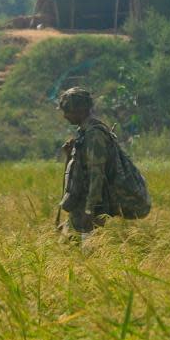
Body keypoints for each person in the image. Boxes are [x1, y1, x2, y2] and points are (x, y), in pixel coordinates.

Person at [57, 87, 116, 239]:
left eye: (68, 111)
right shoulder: (84, 132)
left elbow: (97, 174)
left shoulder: (94, 134)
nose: (65, 116)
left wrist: (90, 210)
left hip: (91, 207)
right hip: (80, 205)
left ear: (80, 110)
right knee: (70, 248)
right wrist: (70, 156)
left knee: (85, 252)